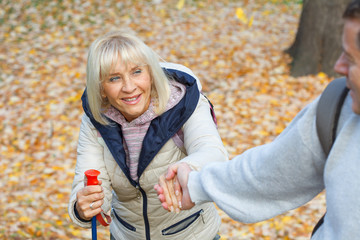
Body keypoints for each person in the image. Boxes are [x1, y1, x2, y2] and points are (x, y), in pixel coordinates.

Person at [155, 0, 360, 239]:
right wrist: (196, 184)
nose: (339, 66)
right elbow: (272, 171)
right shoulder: (337, 110)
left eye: (351, 59)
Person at [67, 30, 228, 240]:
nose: (129, 87)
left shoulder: (184, 103)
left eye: (136, 72)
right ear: (102, 89)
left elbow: (214, 153)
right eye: (114, 78)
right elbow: (89, 178)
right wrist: (85, 206)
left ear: (150, 73)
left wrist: (187, 168)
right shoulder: (96, 120)